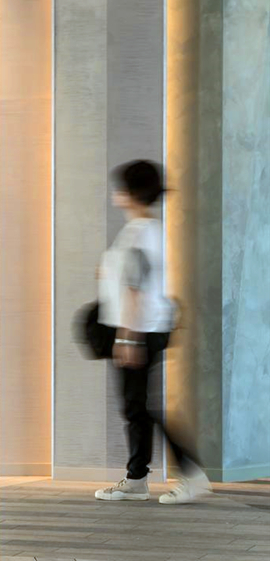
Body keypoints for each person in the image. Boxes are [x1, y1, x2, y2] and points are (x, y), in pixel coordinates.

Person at [94, 160, 211, 505]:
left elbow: (136, 287)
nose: (115, 193)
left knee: (141, 409)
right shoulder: (148, 229)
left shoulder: (139, 232)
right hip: (147, 327)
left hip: (139, 330)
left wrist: (127, 338)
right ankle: (136, 478)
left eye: (120, 188)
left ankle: (191, 474)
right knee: (137, 407)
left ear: (130, 193)